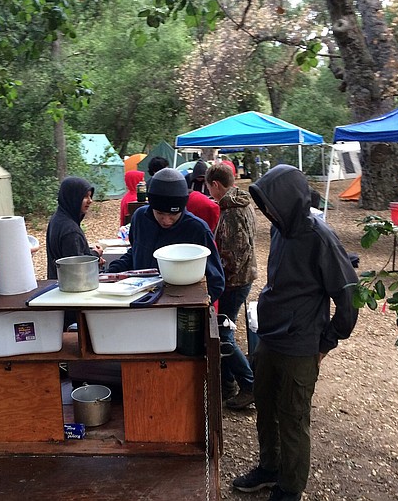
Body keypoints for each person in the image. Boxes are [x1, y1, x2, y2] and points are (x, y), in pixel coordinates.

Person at [232, 164, 358, 501]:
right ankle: (269, 468)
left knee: (292, 417)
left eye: (272, 205)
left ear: (289, 200)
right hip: (270, 336)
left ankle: (290, 488)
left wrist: (326, 342)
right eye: (264, 206)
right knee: (266, 408)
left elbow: (348, 295)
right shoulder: (280, 228)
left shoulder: (319, 237)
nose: (267, 212)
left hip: (301, 344)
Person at [107, 168, 224, 303]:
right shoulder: (140, 218)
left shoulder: (197, 230)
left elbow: (216, 281)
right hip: (140, 300)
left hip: (179, 305)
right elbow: (135, 252)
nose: (166, 220)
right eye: (160, 213)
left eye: (173, 214)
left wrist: (195, 306)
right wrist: (112, 271)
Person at [205, 163, 257, 409]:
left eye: (209, 188)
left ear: (215, 185)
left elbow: (237, 252)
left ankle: (249, 385)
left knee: (224, 333)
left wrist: (218, 272)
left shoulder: (233, 211)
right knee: (221, 330)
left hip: (235, 281)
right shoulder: (239, 204)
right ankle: (227, 385)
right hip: (238, 279)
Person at [46, 176, 104, 280]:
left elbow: (69, 255)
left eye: (90, 197)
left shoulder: (57, 219)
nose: (90, 201)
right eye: (85, 197)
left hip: (56, 283)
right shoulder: (70, 231)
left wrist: (91, 255)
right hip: (70, 288)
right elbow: (76, 267)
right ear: (73, 197)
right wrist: (95, 254)